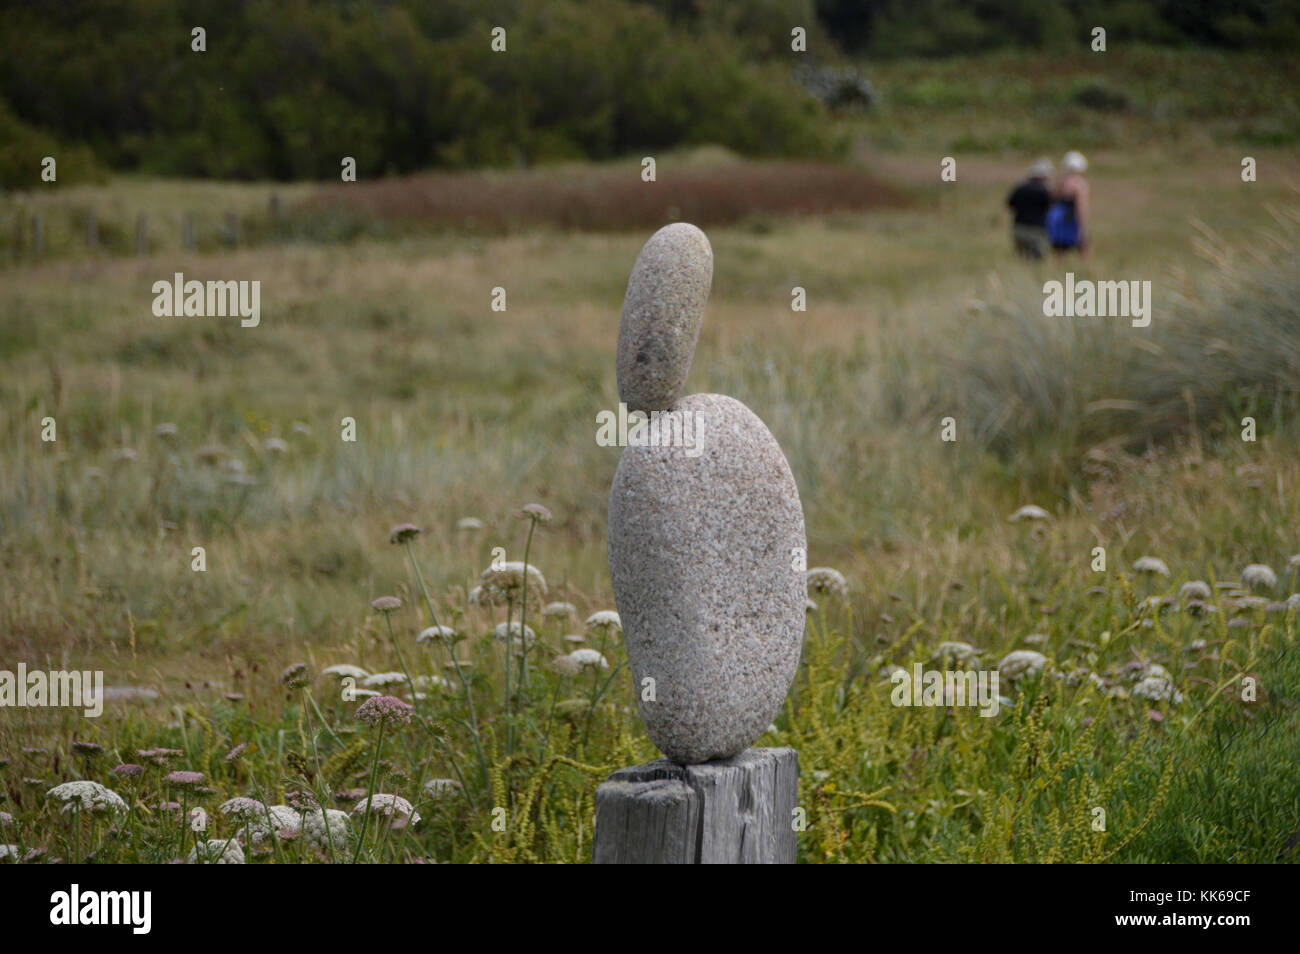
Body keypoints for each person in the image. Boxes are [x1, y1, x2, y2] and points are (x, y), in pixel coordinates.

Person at [1006, 158, 1053, 260]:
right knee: (1036, 258)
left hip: (1018, 228)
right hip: (1036, 230)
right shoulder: (1044, 191)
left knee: (1023, 258)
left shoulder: (1019, 188)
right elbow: (1051, 207)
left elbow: (1010, 204)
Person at [1046, 150, 1090, 257]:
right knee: (1082, 250)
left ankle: (1063, 273)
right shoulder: (1080, 184)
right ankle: (1078, 273)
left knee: (1060, 252)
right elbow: (1081, 207)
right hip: (1071, 220)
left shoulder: (1060, 183)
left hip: (1056, 220)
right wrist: (1083, 227)